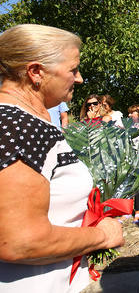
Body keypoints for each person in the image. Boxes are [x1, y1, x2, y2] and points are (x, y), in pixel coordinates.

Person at [0, 24, 124, 292]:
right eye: (73, 69)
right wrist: (102, 235)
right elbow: (19, 241)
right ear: (36, 72)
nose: (78, 79)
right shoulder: (19, 127)